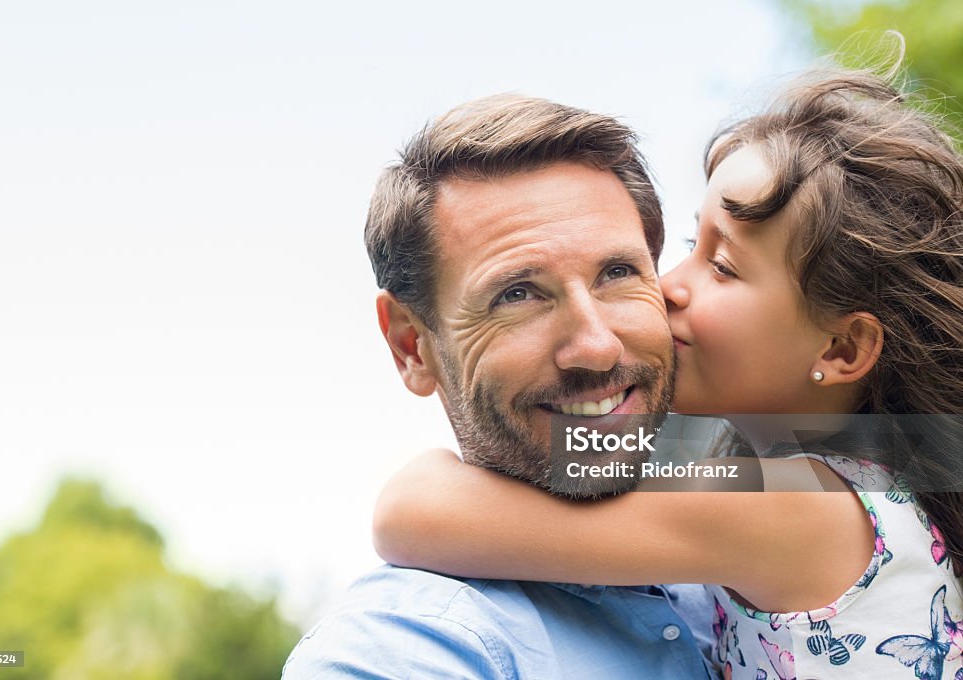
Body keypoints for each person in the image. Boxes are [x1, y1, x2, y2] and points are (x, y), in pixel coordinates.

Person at [374, 67, 963, 679]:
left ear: (841, 350)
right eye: (690, 243)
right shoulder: (878, 467)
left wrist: (430, 472)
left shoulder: (787, 508)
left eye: (723, 267)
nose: (669, 285)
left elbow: (412, 515)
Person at [282, 95, 719, 678]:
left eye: (617, 273)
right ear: (412, 346)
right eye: (517, 294)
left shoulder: (754, 483)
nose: (596, 346)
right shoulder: (398, 654)